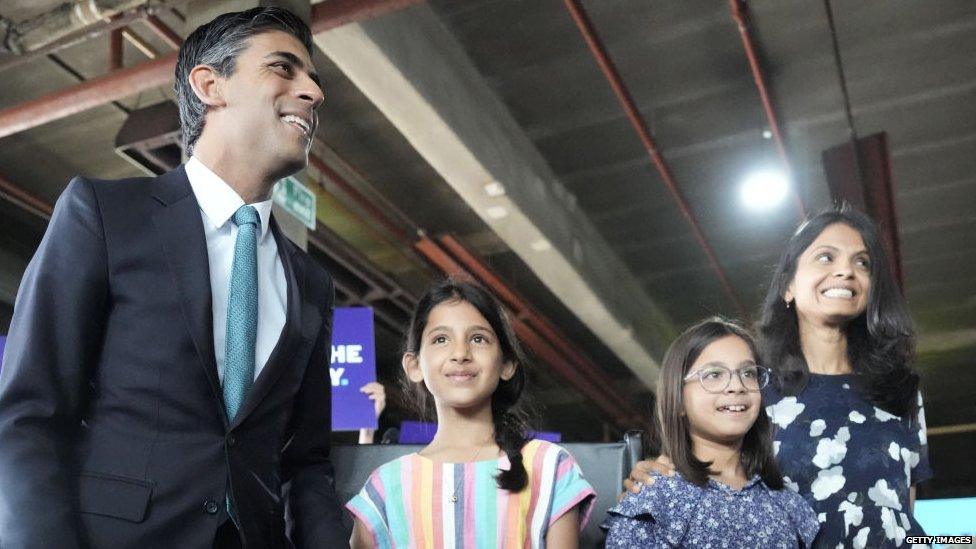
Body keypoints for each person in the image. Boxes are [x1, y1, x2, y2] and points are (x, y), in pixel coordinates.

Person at [0, 7, 347, 548]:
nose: (313, 93)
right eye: (284, 68)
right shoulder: (104, 215)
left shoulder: (312, 284)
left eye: (314, 81)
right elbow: (31, 413)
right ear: (210, 85)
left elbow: (306, 462)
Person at [624, 208, 931, 548]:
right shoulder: (754, 388)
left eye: (862, 263)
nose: (846, 271)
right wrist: (661, 472)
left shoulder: (899, 389)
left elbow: (906, 503)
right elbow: (710, 472)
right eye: (826, 257)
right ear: (788, 286)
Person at [346, 279, 596, 548]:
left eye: (478, 339)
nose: (460, 353)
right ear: (414, 365)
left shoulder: (549, 467)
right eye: (441, 339)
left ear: (507, 364)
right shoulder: (384, 487)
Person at [605, 318, 819, 547]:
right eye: (714, 374)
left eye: (748, 373)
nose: (737, 386)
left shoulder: (786, 503)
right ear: (677, 400)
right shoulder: (656, 499)